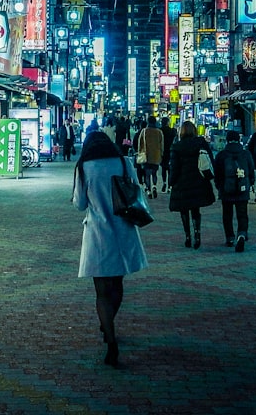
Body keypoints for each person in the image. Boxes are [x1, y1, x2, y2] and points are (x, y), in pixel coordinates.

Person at [72, 131, 149, 367]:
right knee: (117, 284)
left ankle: (110, 337)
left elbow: (79, 204)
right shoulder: (123, 162)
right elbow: (136, 189)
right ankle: (109, 324)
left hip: (97, 233)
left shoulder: (84, 166)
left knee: (101, 291)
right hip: (124, 230)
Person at [168, 120, 216, 249]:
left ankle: (187, 236)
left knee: (184, 210)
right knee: (196, 209)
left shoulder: (177, 146)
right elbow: (210, 160)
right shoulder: (201, 143)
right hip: (199, 181)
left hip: (181, 183)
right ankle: (197, 234)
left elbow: (174, 167)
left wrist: (171, 182)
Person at [214, 130, 255, 252]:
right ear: (239, 139)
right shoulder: (246, 154)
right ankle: (242, 234)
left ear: (227, 140)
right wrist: (249, 184)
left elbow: (217, 174)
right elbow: (251, 171)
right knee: (242, 214)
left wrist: (220, 186)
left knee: (227, 215)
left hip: (226, 190)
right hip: (242, 190)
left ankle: (230, 237)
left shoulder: (221, 155)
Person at [136, 115, 164, 199]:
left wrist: (139, 153)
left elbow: (139, 144)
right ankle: (154, 186)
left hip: (146, 155)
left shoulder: (144, 131)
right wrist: (161, 154)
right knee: (154, 173)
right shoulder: (159, 132)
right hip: (156, 155)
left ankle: (148, 190)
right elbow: (161, 144)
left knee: (147, 174)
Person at [159, 116, 177, 192]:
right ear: (168, 122)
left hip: (162, 152)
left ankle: (164, 182)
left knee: (163, 168)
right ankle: (170, 186)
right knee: (170, 169)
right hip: (171, 152)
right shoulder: (172, 131)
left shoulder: (160, 131)